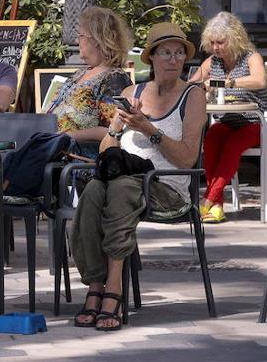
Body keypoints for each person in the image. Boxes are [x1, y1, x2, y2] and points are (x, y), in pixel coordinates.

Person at [70, 22, 207, 331]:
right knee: (92, 191)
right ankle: (94, 285)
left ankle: (115, 288)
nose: (173, 60)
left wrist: (148, 129)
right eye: (165, 53)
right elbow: (107, 150)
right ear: (152, 58)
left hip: (167, 188)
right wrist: (117, 128)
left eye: (178, 54)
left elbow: (188, 158)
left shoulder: (193, 95)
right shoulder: (133, 92)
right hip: (128, 180)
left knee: (120, 189)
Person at [185, 11, 267, 224]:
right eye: (212, 42)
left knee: (232, 145)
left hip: (257, 123)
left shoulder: (251, 57)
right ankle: (217, 208)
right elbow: (191, 84)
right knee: (212, 140)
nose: (216, 47)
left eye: (220, 42)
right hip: (227, 121)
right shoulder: (212, 62)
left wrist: (228, 83)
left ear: (234, 38)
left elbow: (260, 81)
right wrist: (200, 87)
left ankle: (208, 199)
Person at [45, 7, 134, 146]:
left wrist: (68, 136)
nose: (76, 40)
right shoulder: (80, 73)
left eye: (81, 36)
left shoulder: (114, 79)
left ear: (96, 40)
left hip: (79, 158)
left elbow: (113, 130)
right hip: (52, 148)